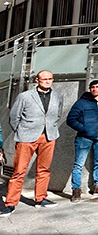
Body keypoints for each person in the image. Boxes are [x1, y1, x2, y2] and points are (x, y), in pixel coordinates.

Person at [2, 70, 64, 216]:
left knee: (44, 169)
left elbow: (58, 114)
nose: (48, 81)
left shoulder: (58, 96)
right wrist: (21, 131)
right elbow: (14, 116)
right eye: (44, 79)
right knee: (19, 171)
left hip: (48, 136)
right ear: (37, 80)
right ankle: (10, 203)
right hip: (26, 137)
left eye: (50, 79)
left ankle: (41, 198)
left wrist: (51, 128)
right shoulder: (25, 96)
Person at [67, 80, 98, 202]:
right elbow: (71, 119)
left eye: (97, 87)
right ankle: (76, 190)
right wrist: (83, 129)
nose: (94, 89)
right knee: (79, 164)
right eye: (92, 87)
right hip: (84, 138)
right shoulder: (82, 103)